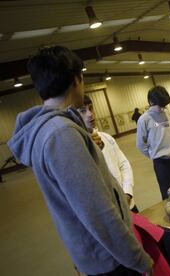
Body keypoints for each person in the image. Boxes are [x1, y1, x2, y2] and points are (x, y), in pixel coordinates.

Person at [7, 46, 152, 275]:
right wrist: (138, 259)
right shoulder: (61, 134)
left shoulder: (52, 130)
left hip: (101, 254)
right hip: (111, 260)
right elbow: (98, 211)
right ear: (77, 79)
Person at [78, 95, 139, 213]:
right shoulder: (77, 148)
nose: (90, 114)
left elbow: (123, 164)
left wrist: (127, 193)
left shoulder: (106, 138)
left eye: (91, 108)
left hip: (128, 203)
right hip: (109, 212)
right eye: (83, 111)